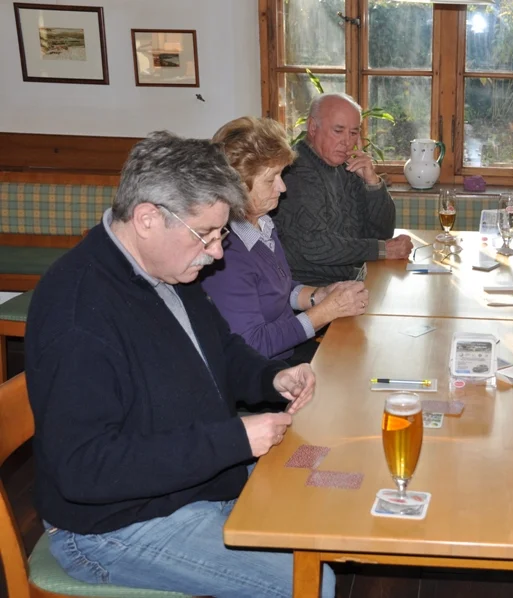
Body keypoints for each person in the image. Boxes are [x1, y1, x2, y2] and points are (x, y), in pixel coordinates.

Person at [24, 131, 335, 598]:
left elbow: (223, 348)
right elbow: (85, 467)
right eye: (206, 234)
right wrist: (233, 438)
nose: (216, 252)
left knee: (327, 486)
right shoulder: (78, 312)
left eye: (221, 233)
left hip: (189, 480)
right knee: (309, 583)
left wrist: (272, 376)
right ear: (148, 218)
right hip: (112, 527)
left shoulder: (166, 266)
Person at [202, 116, 369, 364]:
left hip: (286, 354)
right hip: (262, 374)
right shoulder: (224, 252)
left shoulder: (263, 223)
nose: (282, 187)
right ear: (236, 186)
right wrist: (324, 312)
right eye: (271, 179)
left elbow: (278, 288)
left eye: (281, 175)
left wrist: (317, 296)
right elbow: (254, 345)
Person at [274, 93, 413, 285]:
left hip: (348, 281)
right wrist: (383, 249)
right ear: (313, 127)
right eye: (338, 131)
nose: (347, 142)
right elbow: (316, 246)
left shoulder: (344, 166)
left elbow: (382, 233)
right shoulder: (296, 171)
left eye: (353, 133)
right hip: (309, 292)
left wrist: (373, 184)